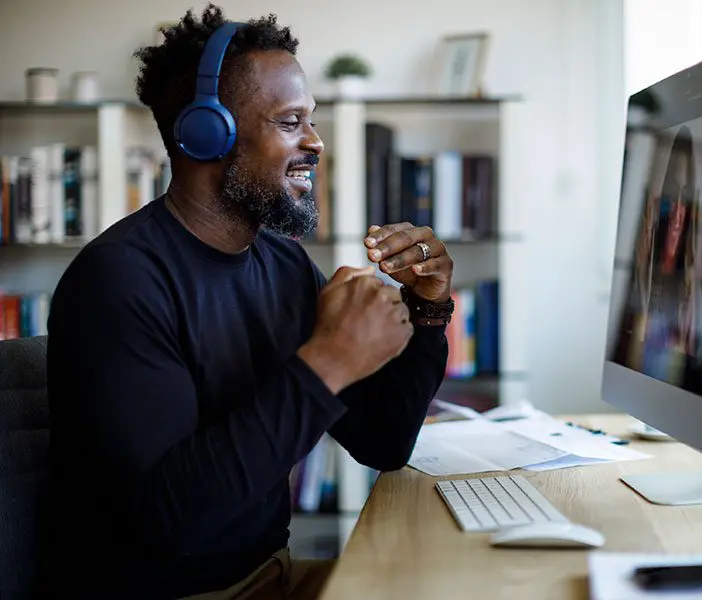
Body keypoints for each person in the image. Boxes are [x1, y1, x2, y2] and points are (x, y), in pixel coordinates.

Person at [43, 4, 454, 600]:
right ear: (207, 133)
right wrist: (329, 361)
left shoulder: (283, 264)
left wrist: (428, 311)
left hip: (271, 573)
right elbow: (167, 523)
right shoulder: (117, 283)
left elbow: (383, 442)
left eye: (310, 120)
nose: (316, 142)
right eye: (291, 122)